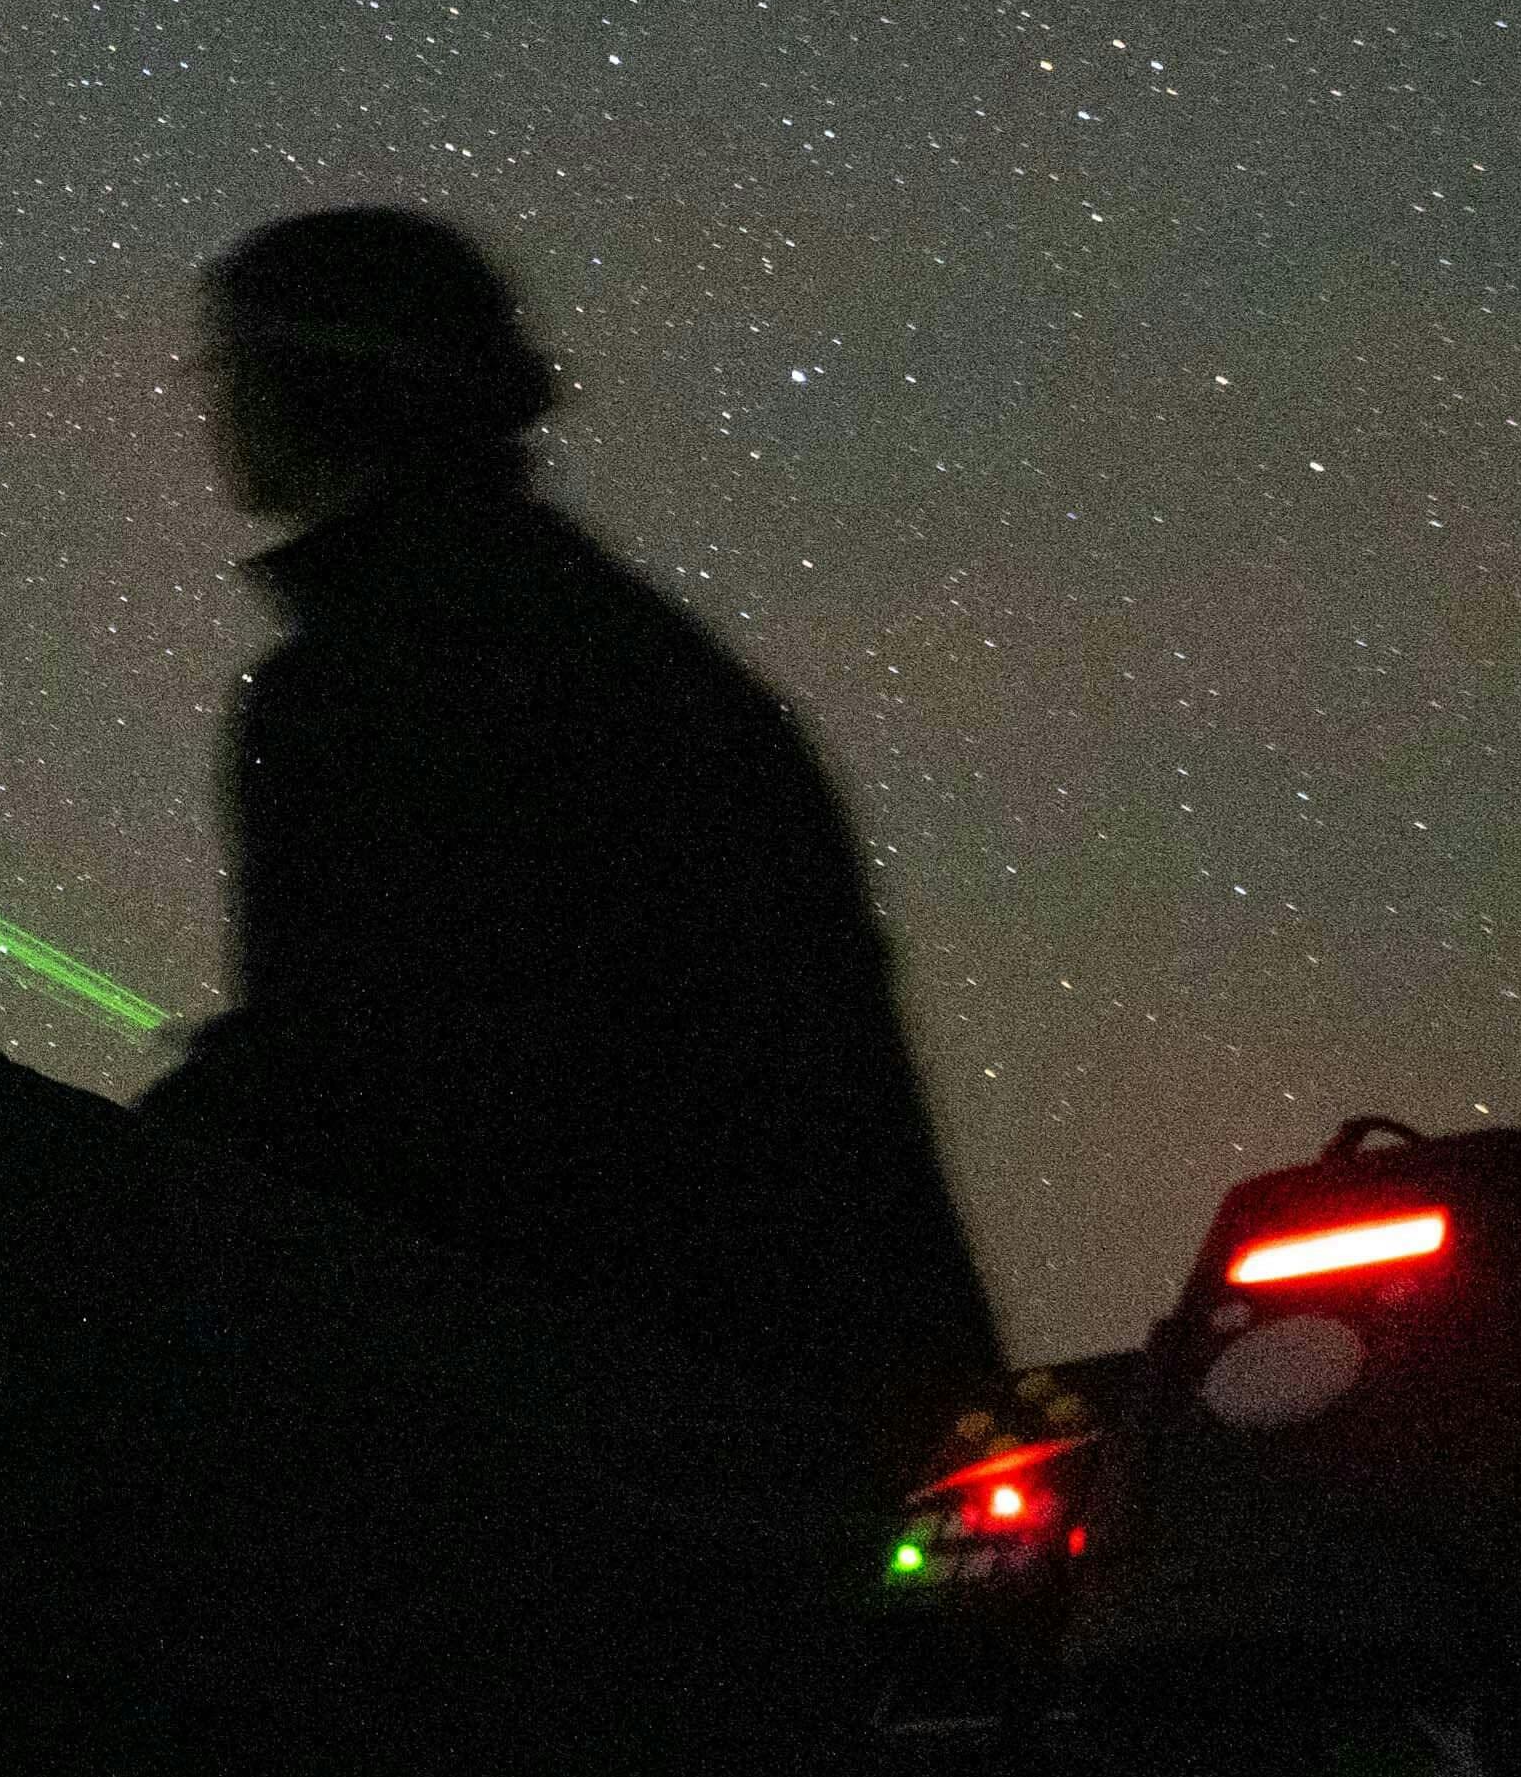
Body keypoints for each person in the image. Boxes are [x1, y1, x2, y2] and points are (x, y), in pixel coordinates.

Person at [139, 204, 1006, 1490]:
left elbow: (384, 1076)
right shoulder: (618, 648)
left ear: (295, 382)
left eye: (218, 371)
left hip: (619, 1428)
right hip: (832, 1403)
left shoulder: (373, 678)